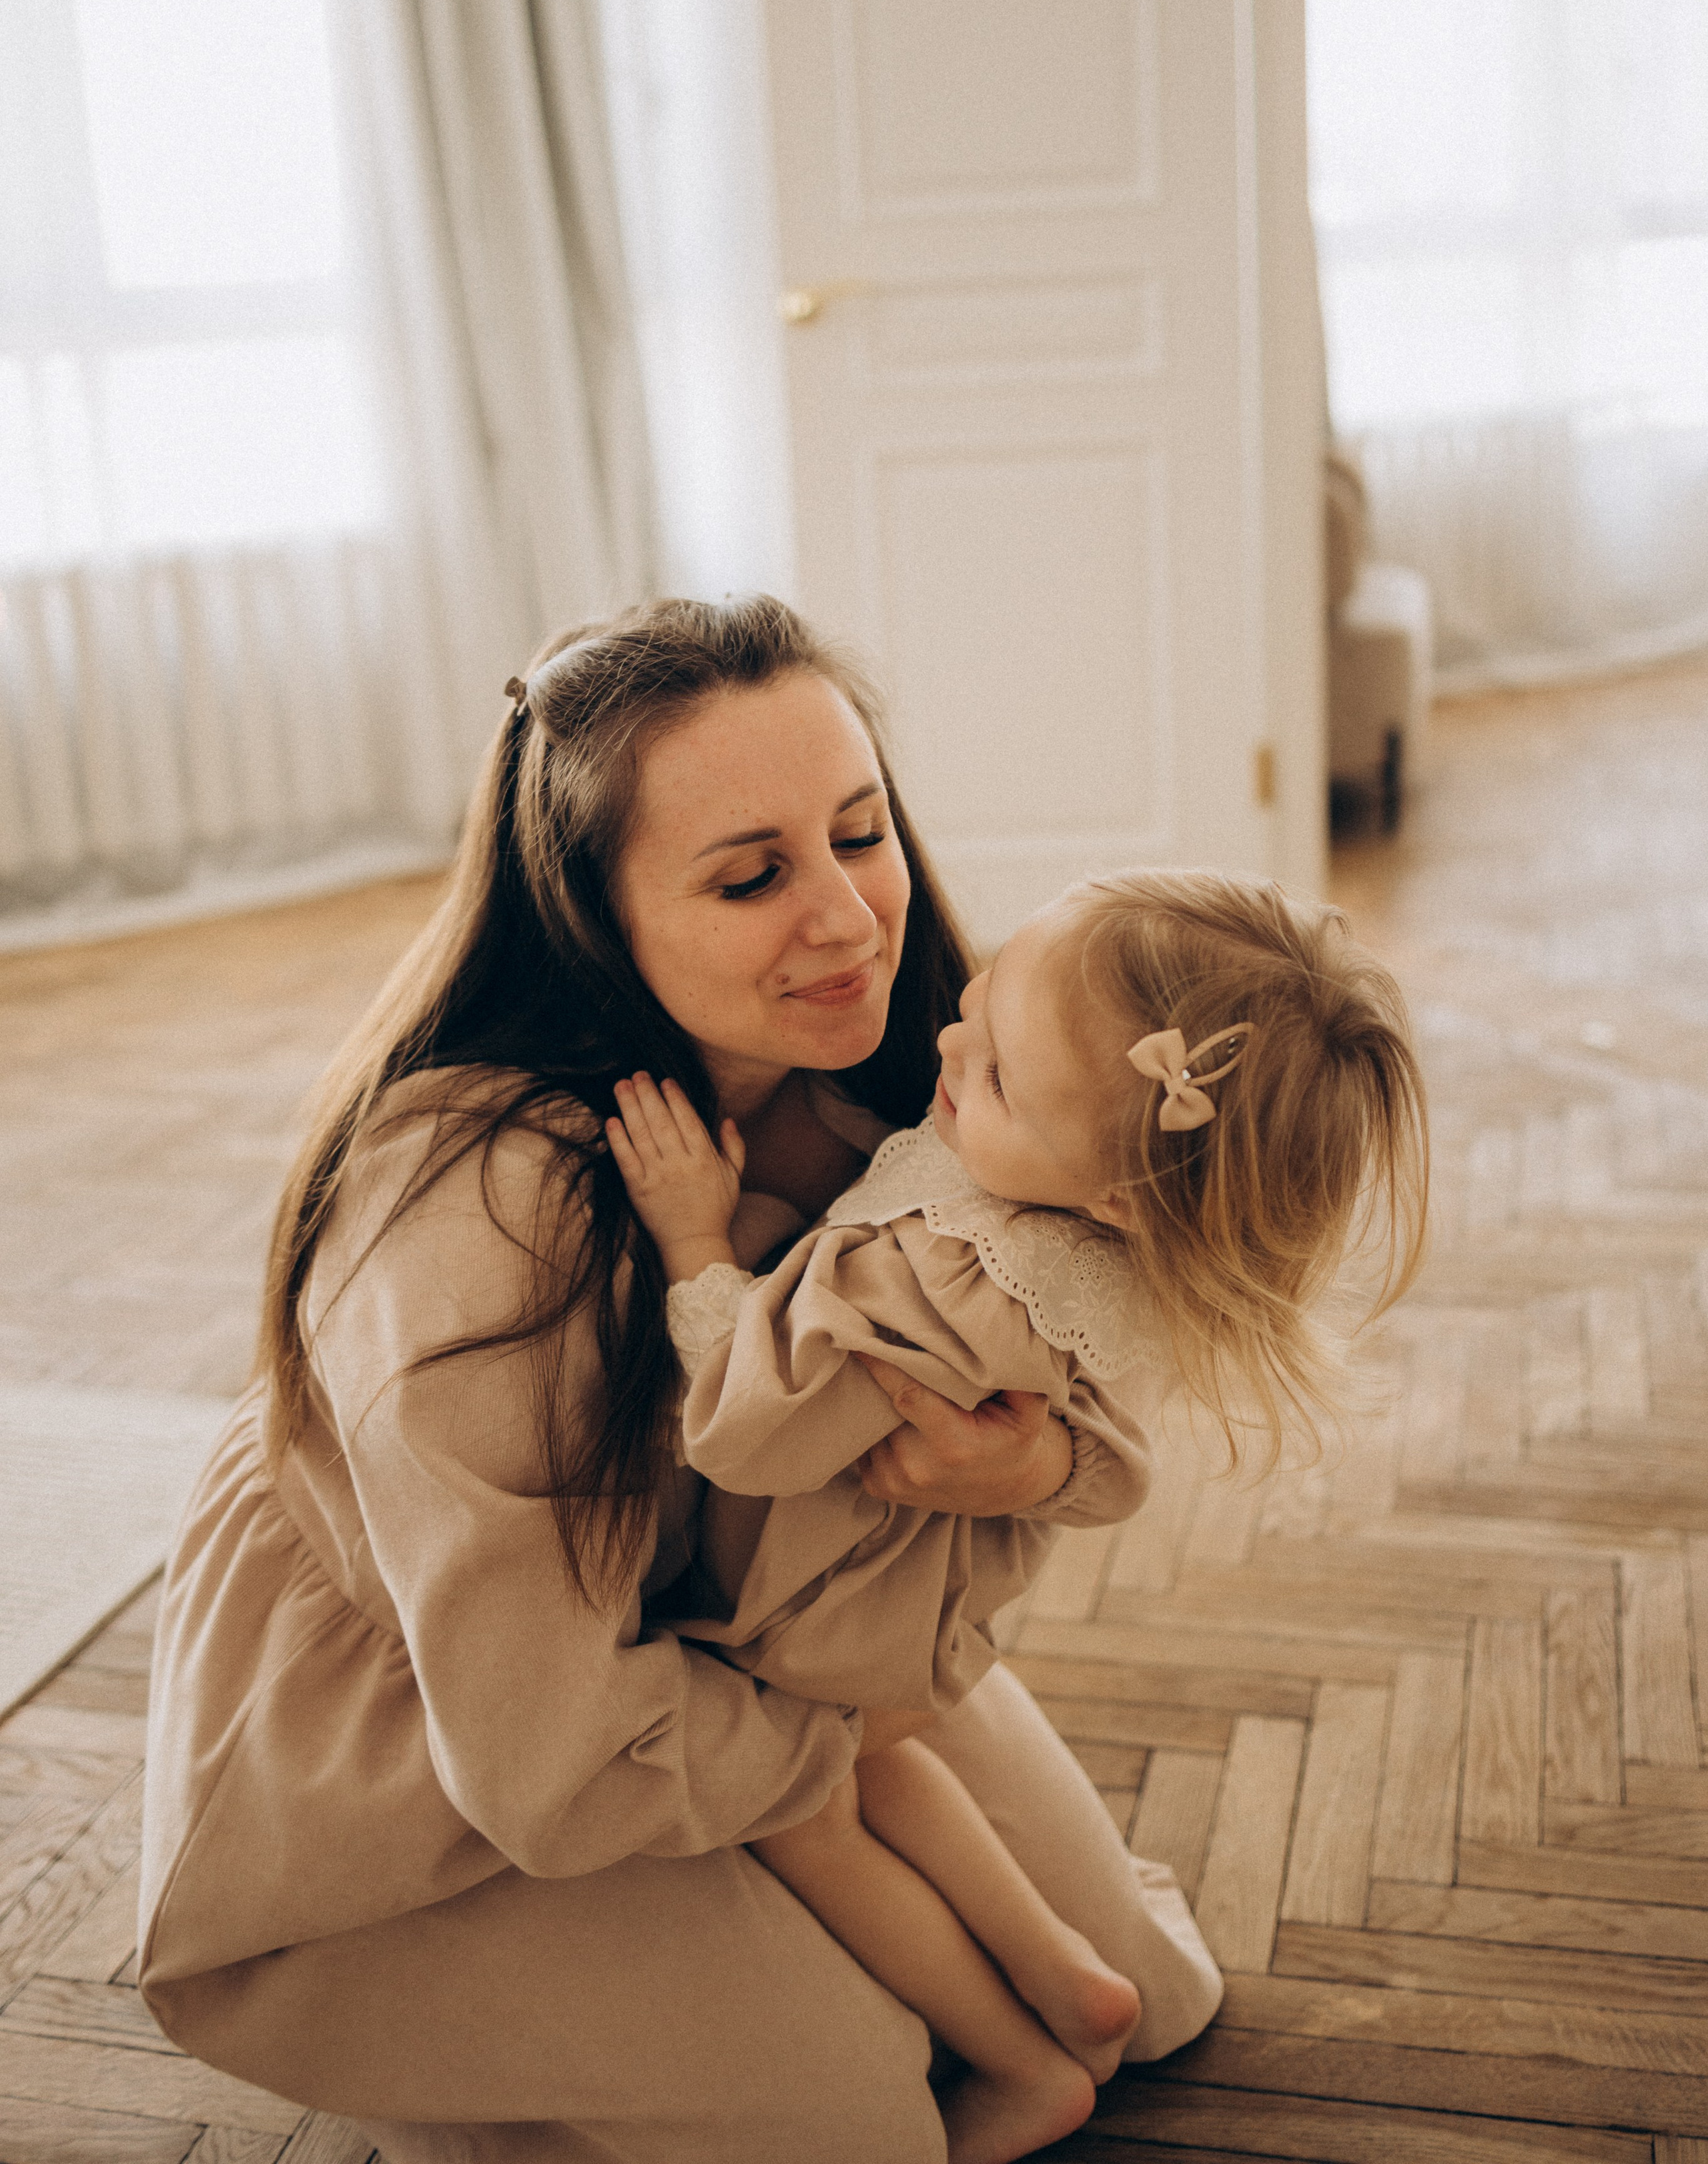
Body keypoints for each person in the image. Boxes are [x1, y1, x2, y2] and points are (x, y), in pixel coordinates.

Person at [137, 597, 1227, 2164]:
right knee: (867, 2126)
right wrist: (840, 1737)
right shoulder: (469, 1212)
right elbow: (541, 1758)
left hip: (723, 1638)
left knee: (1150, 1995)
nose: (851, 921)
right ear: (591, 916)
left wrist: (1031, 1470)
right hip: (447, 1748)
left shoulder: (918, 1062)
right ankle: (440, 2070)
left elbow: (1086, 1308)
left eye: (859, 834)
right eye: (750, 875)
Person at [606, 871, 1427, 2163]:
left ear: (1104, 1192)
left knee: (803, 1820)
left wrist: (694, 1241)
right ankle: (1068, 1980)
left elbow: (743, 1425)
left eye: (988, 1075)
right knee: (889, 1767)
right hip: (906, 1621)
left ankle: (1016, 2058)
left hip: (811, 1616)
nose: (945, 1040)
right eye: (981, 994)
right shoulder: (1098, 1236)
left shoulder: (935, 1278)